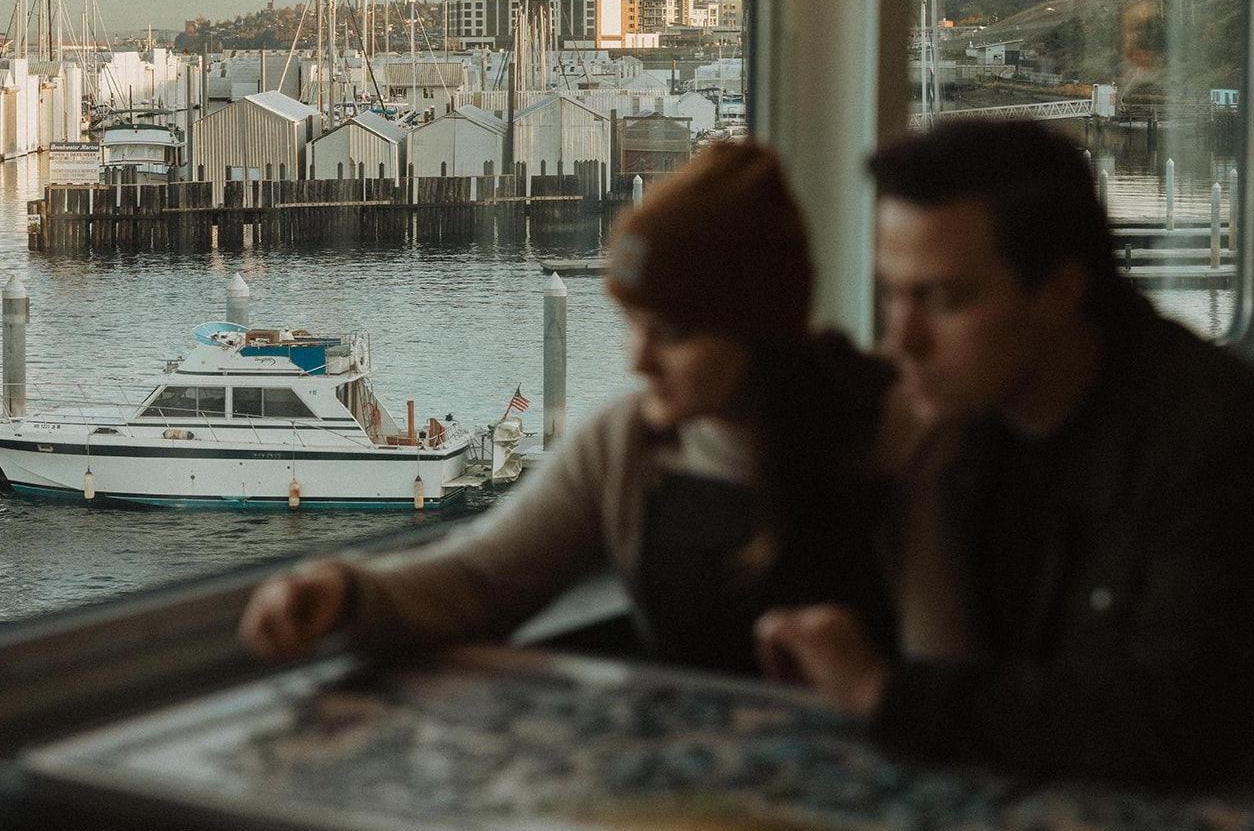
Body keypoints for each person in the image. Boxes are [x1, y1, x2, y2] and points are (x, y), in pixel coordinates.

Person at [241, 141, 906, 676]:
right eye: (632, 325)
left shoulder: (903, 442)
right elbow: (480, 578)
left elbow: (962, 680)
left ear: (758, 325)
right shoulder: (626, 445)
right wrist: (342, 590)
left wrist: (874, 690)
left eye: (671, 334)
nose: (637, 361)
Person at [755, 119, 1254, 783]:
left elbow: (1182, 721)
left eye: (942, 300)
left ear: (1059, 294)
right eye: (892, 296)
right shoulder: (967, 418)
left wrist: (886, 692)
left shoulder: (1213, 440)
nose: (903, 339)